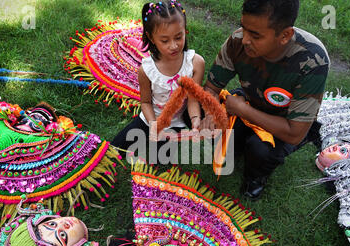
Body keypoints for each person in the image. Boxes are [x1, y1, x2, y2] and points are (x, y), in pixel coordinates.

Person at [202, 0, 329, 200]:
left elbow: (294, 132)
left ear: (285, 35)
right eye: (244, 28)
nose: (245, 39)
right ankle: (240, 142)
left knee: (260, 150)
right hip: (249, 102)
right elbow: (210, 89)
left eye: (255, 35)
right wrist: (210, 112)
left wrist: (242, 110)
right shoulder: (237, 41)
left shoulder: (312, 59)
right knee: (216, 130)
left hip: (284, 122)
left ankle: (255, 178)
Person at [111, 0, 205, 163]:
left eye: (178, 37)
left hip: (176, 122)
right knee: (114, 149)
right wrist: (154, 125)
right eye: (165, 40)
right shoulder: (147, 70)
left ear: (185, 31)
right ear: (151, 38)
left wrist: (196, 119)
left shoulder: (195, 63)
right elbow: (146, 102)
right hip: (150, 118)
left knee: (161, 160)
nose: (174, 46)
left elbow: (192, 100)